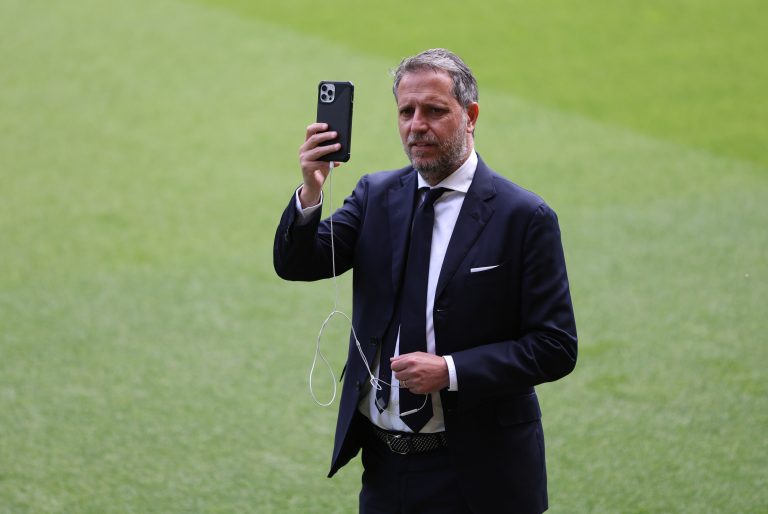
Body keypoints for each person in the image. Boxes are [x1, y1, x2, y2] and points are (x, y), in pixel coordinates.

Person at [274, 48, 577, 514]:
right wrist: (311, 190)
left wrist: (451, 372)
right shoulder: (375, 196)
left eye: (434, 111)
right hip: (385, 468)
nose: (417, 125)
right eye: (406, 111)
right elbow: (299, 263)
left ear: (470, 115)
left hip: (482, 475)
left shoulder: (524, 217)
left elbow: (555, 346)